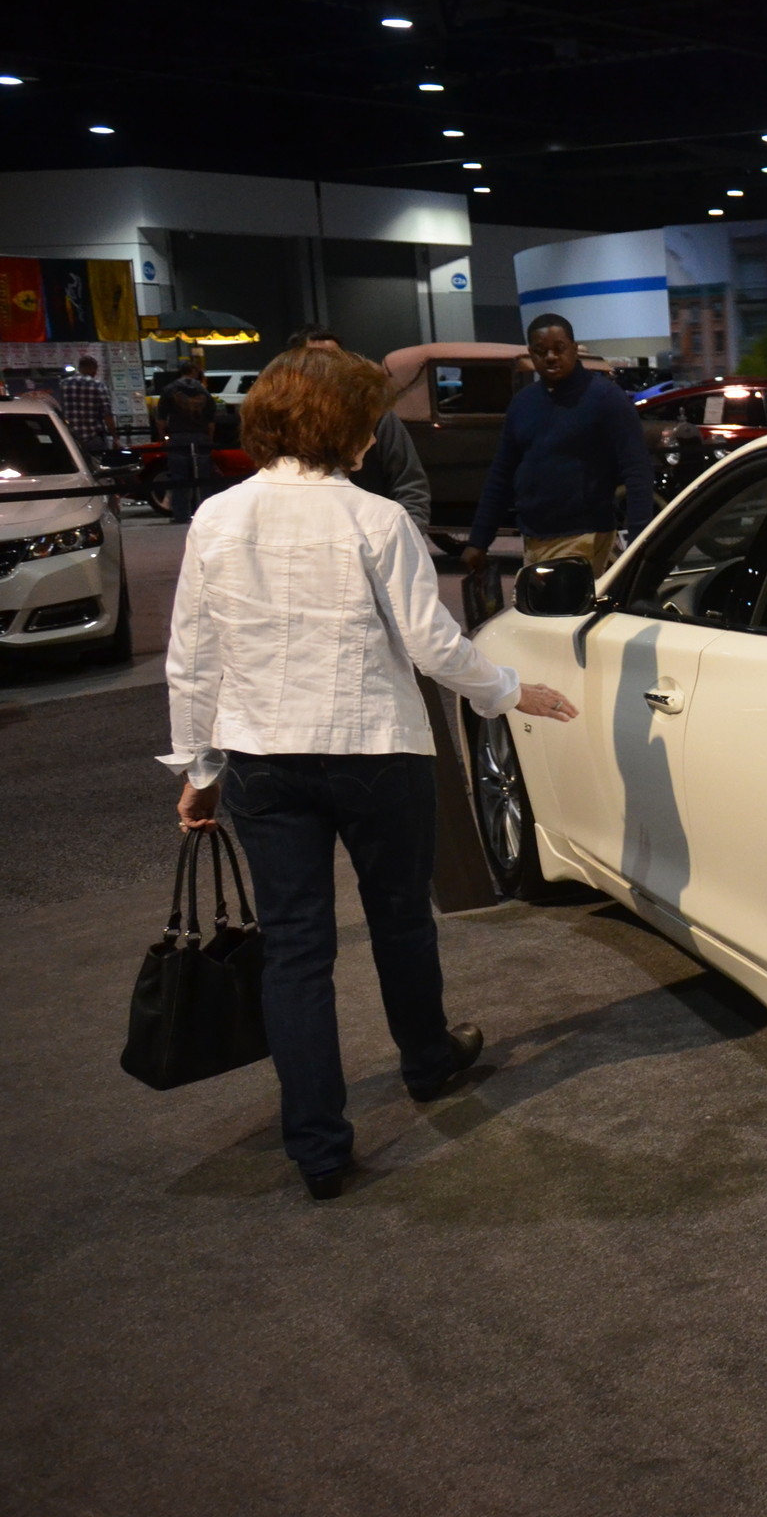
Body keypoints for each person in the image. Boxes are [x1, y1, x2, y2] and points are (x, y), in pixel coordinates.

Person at [163, 346, 580, 1199]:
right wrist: (510, 690)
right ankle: (427, 1061)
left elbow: (192, 660)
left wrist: (200, 768)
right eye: (367, 421)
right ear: (344, 428)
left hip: (262, 759)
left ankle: (317, 1147)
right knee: (399, 921)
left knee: (297, 953)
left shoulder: (215, 518)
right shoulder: (376, 520)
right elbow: (431, 646)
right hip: (374, 750)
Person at [463, 314, 654, 580]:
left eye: (559, 349)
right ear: (531, 354)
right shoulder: (523, 403)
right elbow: (501, 473)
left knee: (563, 615)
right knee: (546, 616)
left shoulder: (606, 399)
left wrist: (638, 541)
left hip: (584, 535)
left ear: (575, 350)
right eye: (541, 351)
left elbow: (638, 471)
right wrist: (479, 540)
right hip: (533, 537)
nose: (551, 357)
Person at [288, 327, 431, 529]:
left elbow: (410, 486)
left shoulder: (374, 414)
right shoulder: (284, 420)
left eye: (336, 358)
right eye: (318, 360)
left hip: (372, 537)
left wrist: (404, 537)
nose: (329, 367)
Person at [156, 368, 219, 524]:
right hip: (200, 436)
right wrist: (209, 438)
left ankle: (181, 515)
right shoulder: (204, 391)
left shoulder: (169, 390)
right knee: (203, 478)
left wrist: (163, 436)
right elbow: (211, 421)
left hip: (178, 437)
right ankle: (205, 514)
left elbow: (161, 417)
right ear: (195, 373)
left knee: (179, 478)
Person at [54, 354, 116, 455]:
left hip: (70, 437)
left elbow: (57, 409)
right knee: (97, 465)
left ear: (79, 368)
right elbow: (107, 415)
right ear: (93, 369)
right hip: (93, 437)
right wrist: (115, 437)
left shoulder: (63, 384)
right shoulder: (98, 385)